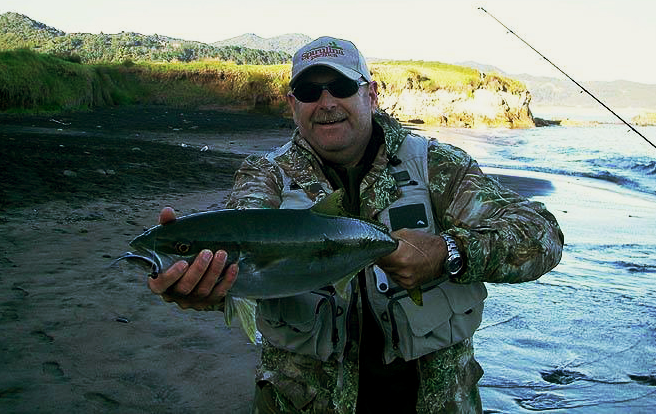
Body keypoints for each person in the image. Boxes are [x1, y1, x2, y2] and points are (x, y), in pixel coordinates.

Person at [148, 36, 564, 413]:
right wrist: (203, 286)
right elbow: (240, 248)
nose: (326, 102)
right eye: (309, 92)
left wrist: (449, 252)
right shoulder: (266, 176)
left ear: (372, 95)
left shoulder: (435, 165)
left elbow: (542, 235)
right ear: (292, 105)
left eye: (342, 87)